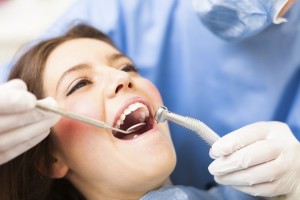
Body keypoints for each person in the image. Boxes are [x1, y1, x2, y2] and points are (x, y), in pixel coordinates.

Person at [1, 0, 300, 198]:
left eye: (127, 67)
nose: (122, 78)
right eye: (80, 83)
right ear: (50, 159)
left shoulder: (256, 192)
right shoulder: (122, 11)